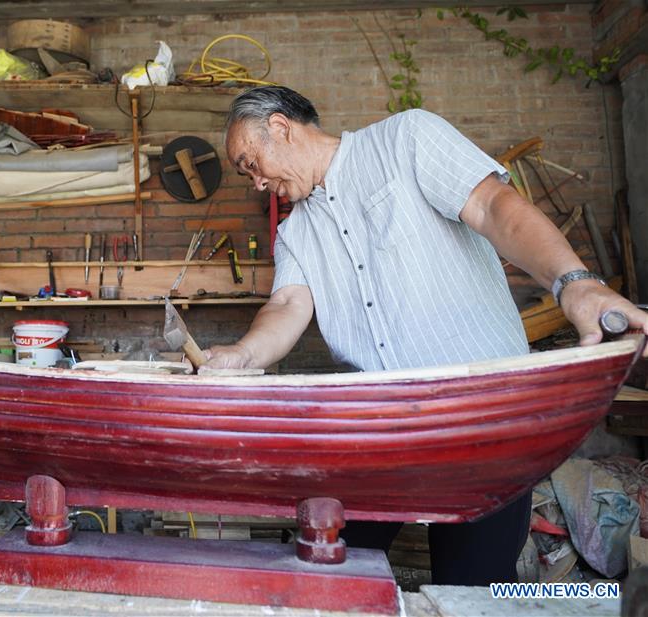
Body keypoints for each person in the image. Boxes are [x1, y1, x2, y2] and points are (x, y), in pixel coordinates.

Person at [205, 85, 648, 586]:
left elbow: (492, 207)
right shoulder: (297, 231)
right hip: (379, 429)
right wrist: (242, 355)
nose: (257, 182)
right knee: (333, 572)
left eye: (251, 163)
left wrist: (575, 283)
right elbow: (287, 304)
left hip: (482, 418)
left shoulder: (407, 139)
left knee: (472, 586)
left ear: (281, 128)